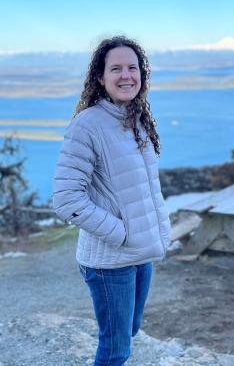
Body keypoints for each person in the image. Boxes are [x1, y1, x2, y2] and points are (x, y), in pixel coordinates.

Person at [53, 36, 171, 365]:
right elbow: (66, 198)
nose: (126, 75)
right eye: (115, 68)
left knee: (129, 331)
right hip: (110, 262)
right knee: (116, 348)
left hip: (140, 254)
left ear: (142, 75)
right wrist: (121, 233)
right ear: (100, 77)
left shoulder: (135, 118)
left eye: (132, 68)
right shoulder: (87, 125)